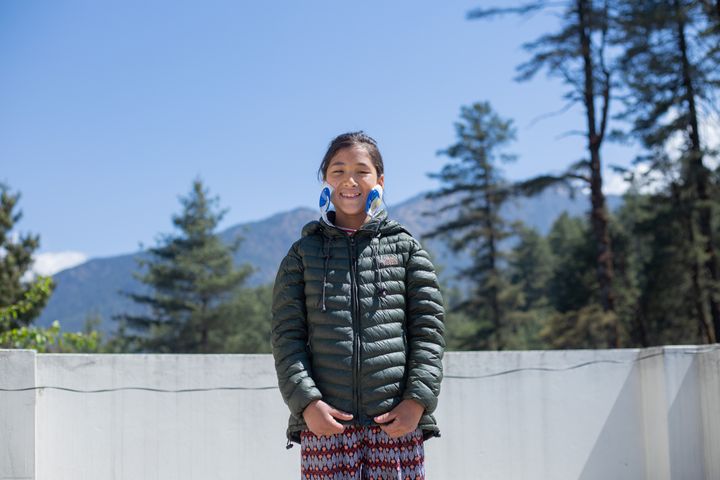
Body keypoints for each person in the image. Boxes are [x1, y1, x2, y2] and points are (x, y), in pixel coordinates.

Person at [271, 131, 445, 480]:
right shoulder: (302, 255)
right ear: (325, 180)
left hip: (395, 425)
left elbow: (429, 334)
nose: (349, 181)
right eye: (338, 171)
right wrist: (307, 404)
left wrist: (416, 403)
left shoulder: (407, 250)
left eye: (361, 171)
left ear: (380, 180)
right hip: (326, 425)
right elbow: (286, 338)